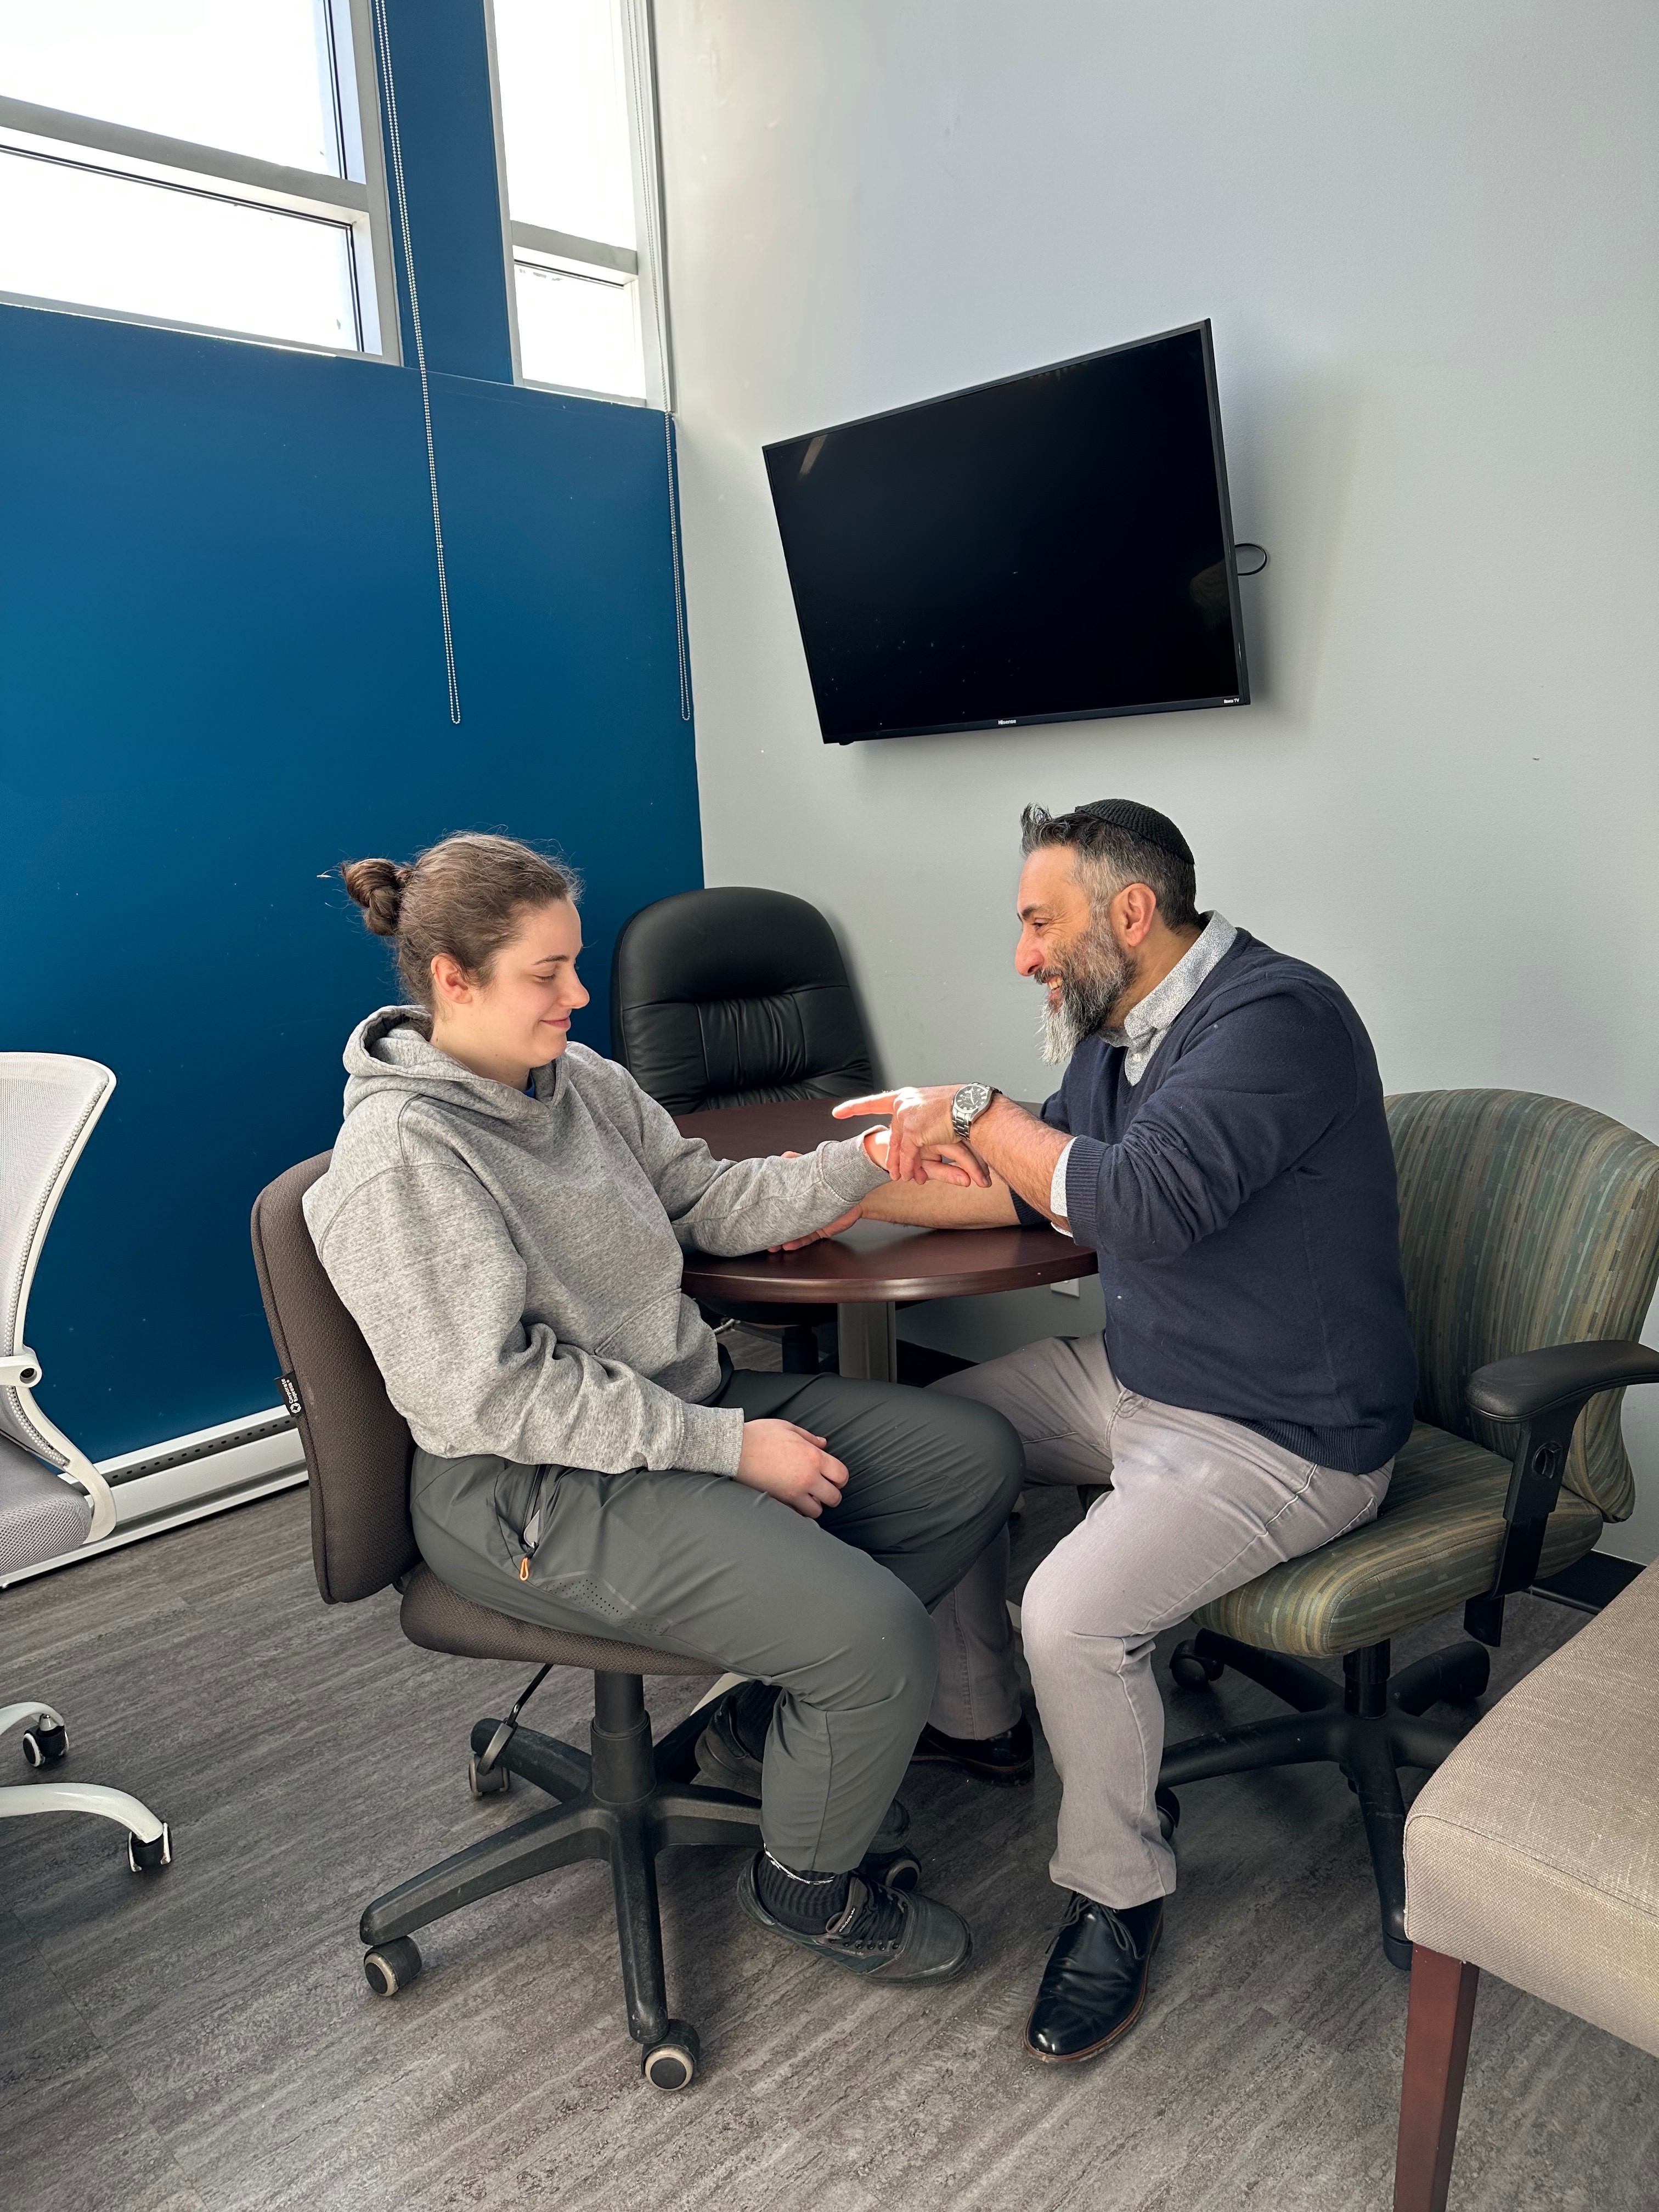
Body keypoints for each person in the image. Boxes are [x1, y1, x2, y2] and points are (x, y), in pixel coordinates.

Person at [303, 832, 1024, 1987]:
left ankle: (765, 1720)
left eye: (575, 964)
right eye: (549, 973)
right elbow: (485, 1392)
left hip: (670, 1411)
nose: (581, 995)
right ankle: (804, 1885)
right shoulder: (405, 1155)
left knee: (972, 1457)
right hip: (528, 1490)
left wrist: (867, 1161)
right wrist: (729, 1448)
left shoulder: (577, 1081)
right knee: (878, 1636)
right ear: (453, 978)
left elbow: (711, 1200)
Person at [831, 798, 1417, 2064]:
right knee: (934, 1441)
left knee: (1075, 1612)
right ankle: (980, 1724)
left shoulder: (1279, 1022)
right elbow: (1035, 1183)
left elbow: (1134, 1201)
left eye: (1040, 922)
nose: (1026, 954)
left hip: (1286, 1429)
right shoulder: (1113, 1034)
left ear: (1130, 914)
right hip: (1142, 1379)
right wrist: (836, 1206)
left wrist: (975, 1105)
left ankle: (1116, 1894)